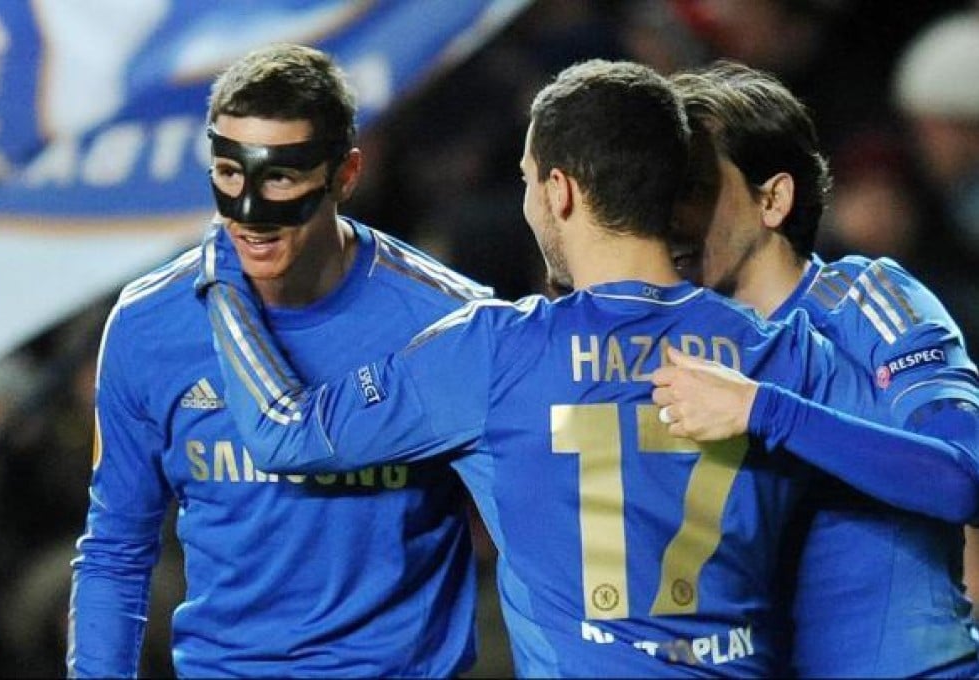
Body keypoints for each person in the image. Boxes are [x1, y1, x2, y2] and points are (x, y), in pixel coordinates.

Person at [195, 58, 889, 677]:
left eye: (526, 180)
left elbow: (285, 431)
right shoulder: (781, 348)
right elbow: (934, 480)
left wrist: (223, 281)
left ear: (560, 191)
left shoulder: (495, 351)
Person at [66, 43, 493, 678]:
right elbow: (115, 549)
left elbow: (529, 533)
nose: (249, 211)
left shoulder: (450, 322)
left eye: (281, 177)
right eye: (230, 174)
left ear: (345, 174)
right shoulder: (147, 325)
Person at [658, 60, 979, 676]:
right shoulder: (674, 351)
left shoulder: (867, 299)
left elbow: (961, 477)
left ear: (773, 199)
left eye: (695, 187)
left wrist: (763, 409)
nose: (674, 215)